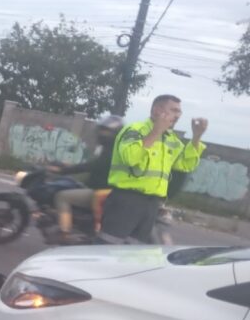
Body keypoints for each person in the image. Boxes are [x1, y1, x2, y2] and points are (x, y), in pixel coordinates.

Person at [99, 94, 208, 244]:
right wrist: (156, 132)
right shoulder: (135, 130)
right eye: (174, 110)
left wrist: (196, 137)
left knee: (132, 253)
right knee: (107, 247)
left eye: (179, 112)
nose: (178, 115)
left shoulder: (171, 139)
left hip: (151, 204)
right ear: (157, 110)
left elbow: (185, 165)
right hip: (126, 200)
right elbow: (131, 158)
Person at [49, 115, 125, 241]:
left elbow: (92, 166)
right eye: (101, 130)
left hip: (100, 191)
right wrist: (68, 166)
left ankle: (64, 233)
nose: (101, 133)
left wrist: (63, 170)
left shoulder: (112, 151)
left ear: (115, 134)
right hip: (101, 190)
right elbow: (93, 165)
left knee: (61, 196)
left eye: (105, 131)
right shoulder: (113, 149)